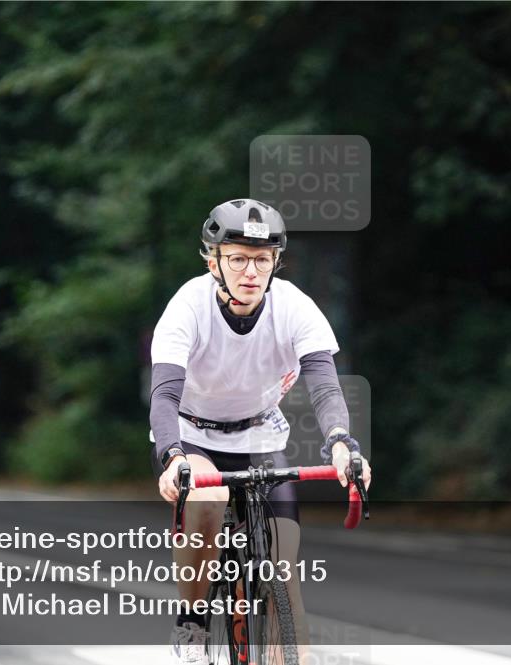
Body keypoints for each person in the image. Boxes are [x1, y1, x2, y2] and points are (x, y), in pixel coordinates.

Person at [148, 198, 372, 665]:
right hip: (192, 436)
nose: (251, 271)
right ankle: (192, 621)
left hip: (258, 436)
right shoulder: (187, 306)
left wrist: (340, 443)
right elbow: (164, 397)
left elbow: (325, 386)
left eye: (262, 260)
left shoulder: (294, 306)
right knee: (207, 501)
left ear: (275, 264)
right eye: (238, 259)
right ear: (214, 262)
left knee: (284, 571)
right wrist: (173, 456)